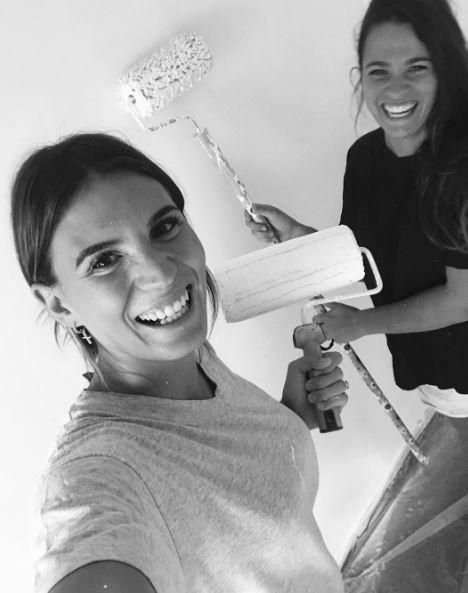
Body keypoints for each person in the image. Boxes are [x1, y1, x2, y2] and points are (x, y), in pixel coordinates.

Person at [11, 133, 349, 593]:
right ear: (58, 304)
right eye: (104, 260)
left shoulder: (192, 357)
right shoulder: (97, 477)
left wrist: (287, 417)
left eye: (165, 227)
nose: (161, 273)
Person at [246, 0, 468, 419]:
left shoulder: (461, 169)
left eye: (417, 68)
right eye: (378, 71)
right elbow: (364, 259)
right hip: (429, 367)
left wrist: (361, 324)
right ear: (360, 78)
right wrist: (297, 234)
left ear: (445, 71)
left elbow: (461, 300)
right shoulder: (364, 158)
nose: (395, 89)